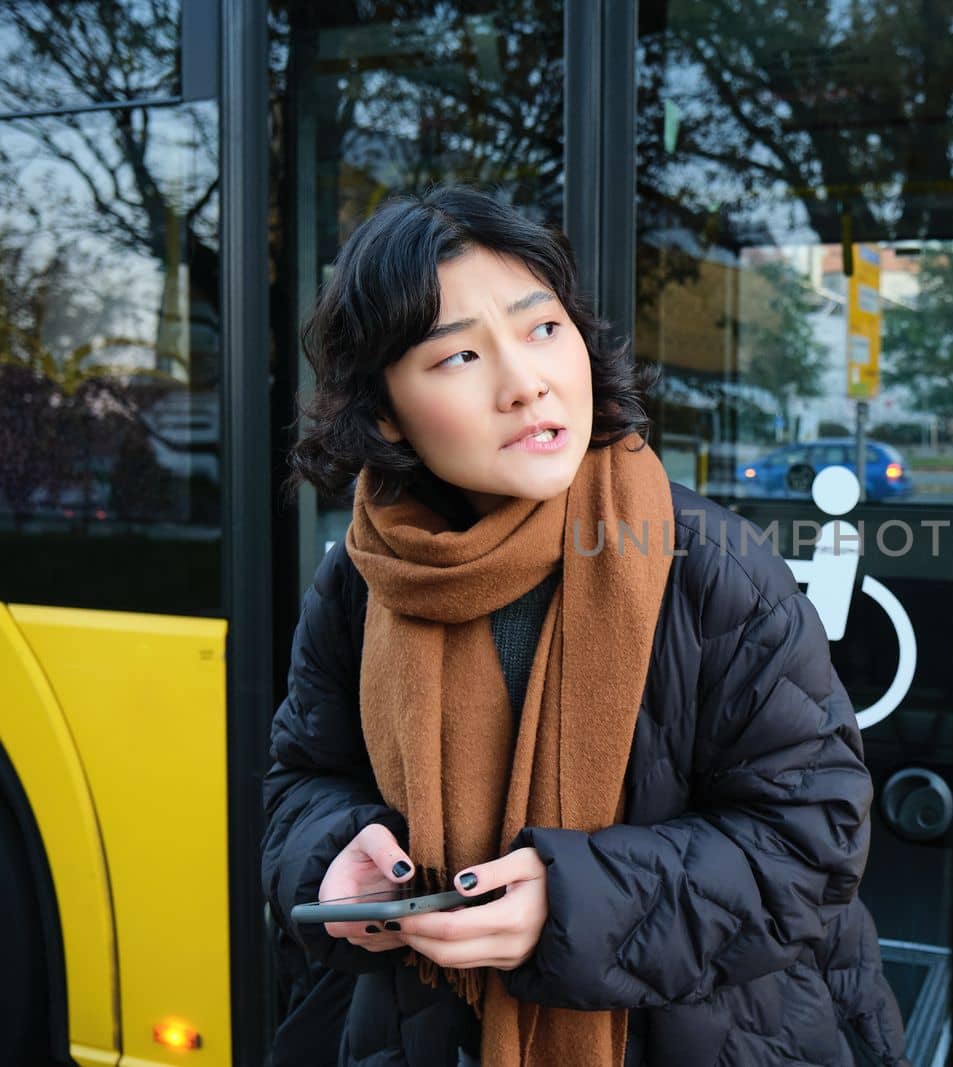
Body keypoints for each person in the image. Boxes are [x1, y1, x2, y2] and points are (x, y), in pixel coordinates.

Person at [260, 185, 908, 1067]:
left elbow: (813, 838)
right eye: (456, 357)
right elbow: (301, 779)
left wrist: (572, 908)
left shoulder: (708, 563)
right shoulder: (360, 580)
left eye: (542, 328)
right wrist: (330, 861)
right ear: (382, 410)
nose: (525, 381)